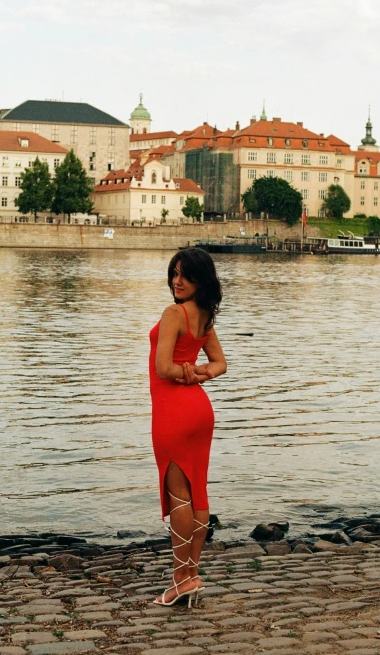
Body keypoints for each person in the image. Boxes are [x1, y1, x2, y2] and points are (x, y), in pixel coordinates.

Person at [149, 248, 227, 607]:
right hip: (200, 410)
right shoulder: (204, 316)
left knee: (179, 493)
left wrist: (185, 372)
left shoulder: (174, 314)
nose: (177, 281)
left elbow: (164, 368)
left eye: (185, 275)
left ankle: (181, 578)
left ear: (201, 280)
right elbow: (220, 364)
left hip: (174, 411)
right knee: (198, 493)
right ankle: (191, 573)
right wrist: (199, 373)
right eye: (174, 274)